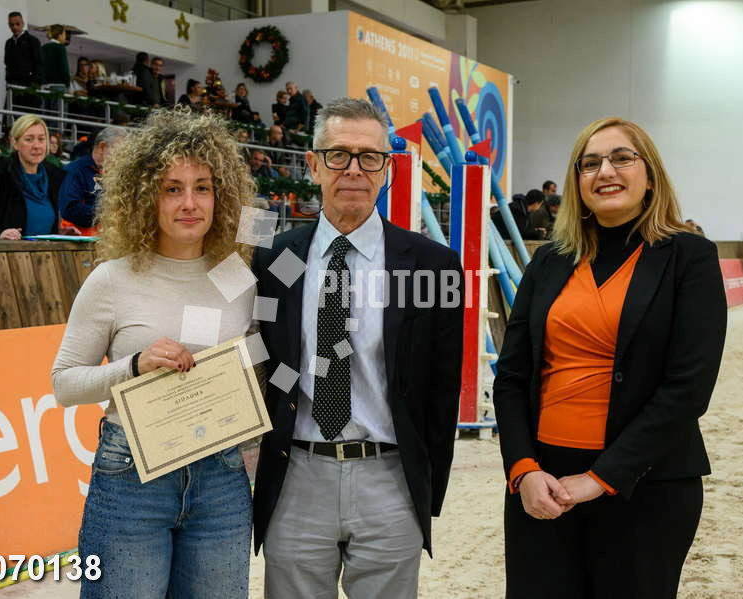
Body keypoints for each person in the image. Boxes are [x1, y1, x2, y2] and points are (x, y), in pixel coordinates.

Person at [493, 116, 727, 599]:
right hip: (543, 484)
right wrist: (523, 468)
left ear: (650, 175)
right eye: (590, 163)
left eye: (622, 158)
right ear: (578, 181)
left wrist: (602, 478)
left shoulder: (690, 257)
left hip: (646, 484)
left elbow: (688, 387)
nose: (605, 171)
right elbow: (512, 375)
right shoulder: (549, 260)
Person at [252, 98, 465, 598]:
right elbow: (269, 362)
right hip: (297, 476)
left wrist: (426, 487)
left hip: (389, 479)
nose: (354, 169)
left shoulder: (431, 265)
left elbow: (443, 386)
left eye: (369, 157)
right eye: (338, 155)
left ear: (387, 169)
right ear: (313, 165)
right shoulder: (276, 258)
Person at [52, 109, 257, 598]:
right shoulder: (113, 279)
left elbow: (262, 368)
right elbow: (63, 383)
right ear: (146, 196)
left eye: (202, 187)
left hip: (222, 478)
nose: (189, 203)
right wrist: (133, 367)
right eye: (172, 189)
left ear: (221, 196)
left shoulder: (238, 278)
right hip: (131, 479)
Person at [0, 114, 66, 239]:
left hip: (44, 251)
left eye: (41, 139)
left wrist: (61, 233)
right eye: (29, 139)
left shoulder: (53, 175)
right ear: (15, 143)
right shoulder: (2, 173)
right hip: (6, 251)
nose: (37, 146)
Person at [59, 127, 125, 235]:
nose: (123, 158)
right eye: (120, 152)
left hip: (107, 240)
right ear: (102, 147)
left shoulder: (116, 173)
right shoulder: (74, 170)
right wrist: (109, 211)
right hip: (79, 240)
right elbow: (70, 209)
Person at [4, 12, 42, 93]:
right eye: (12, 25)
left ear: (23, 24)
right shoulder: (8, 43)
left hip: (29, 85)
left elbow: (39, 62)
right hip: (12, 84)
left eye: (17, 24)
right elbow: (7, 62)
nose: (14, 27)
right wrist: (8, 79)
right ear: (9, 25)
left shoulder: (33, 41)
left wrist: (35, 83)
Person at [41, 24, 70, 89]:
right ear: (60, 35)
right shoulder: (60, 47)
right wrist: (68, 83)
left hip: (45, 85)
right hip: (59, 85)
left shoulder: (43, 47)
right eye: (64, 34)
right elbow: (64, 67)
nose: (65, 37)